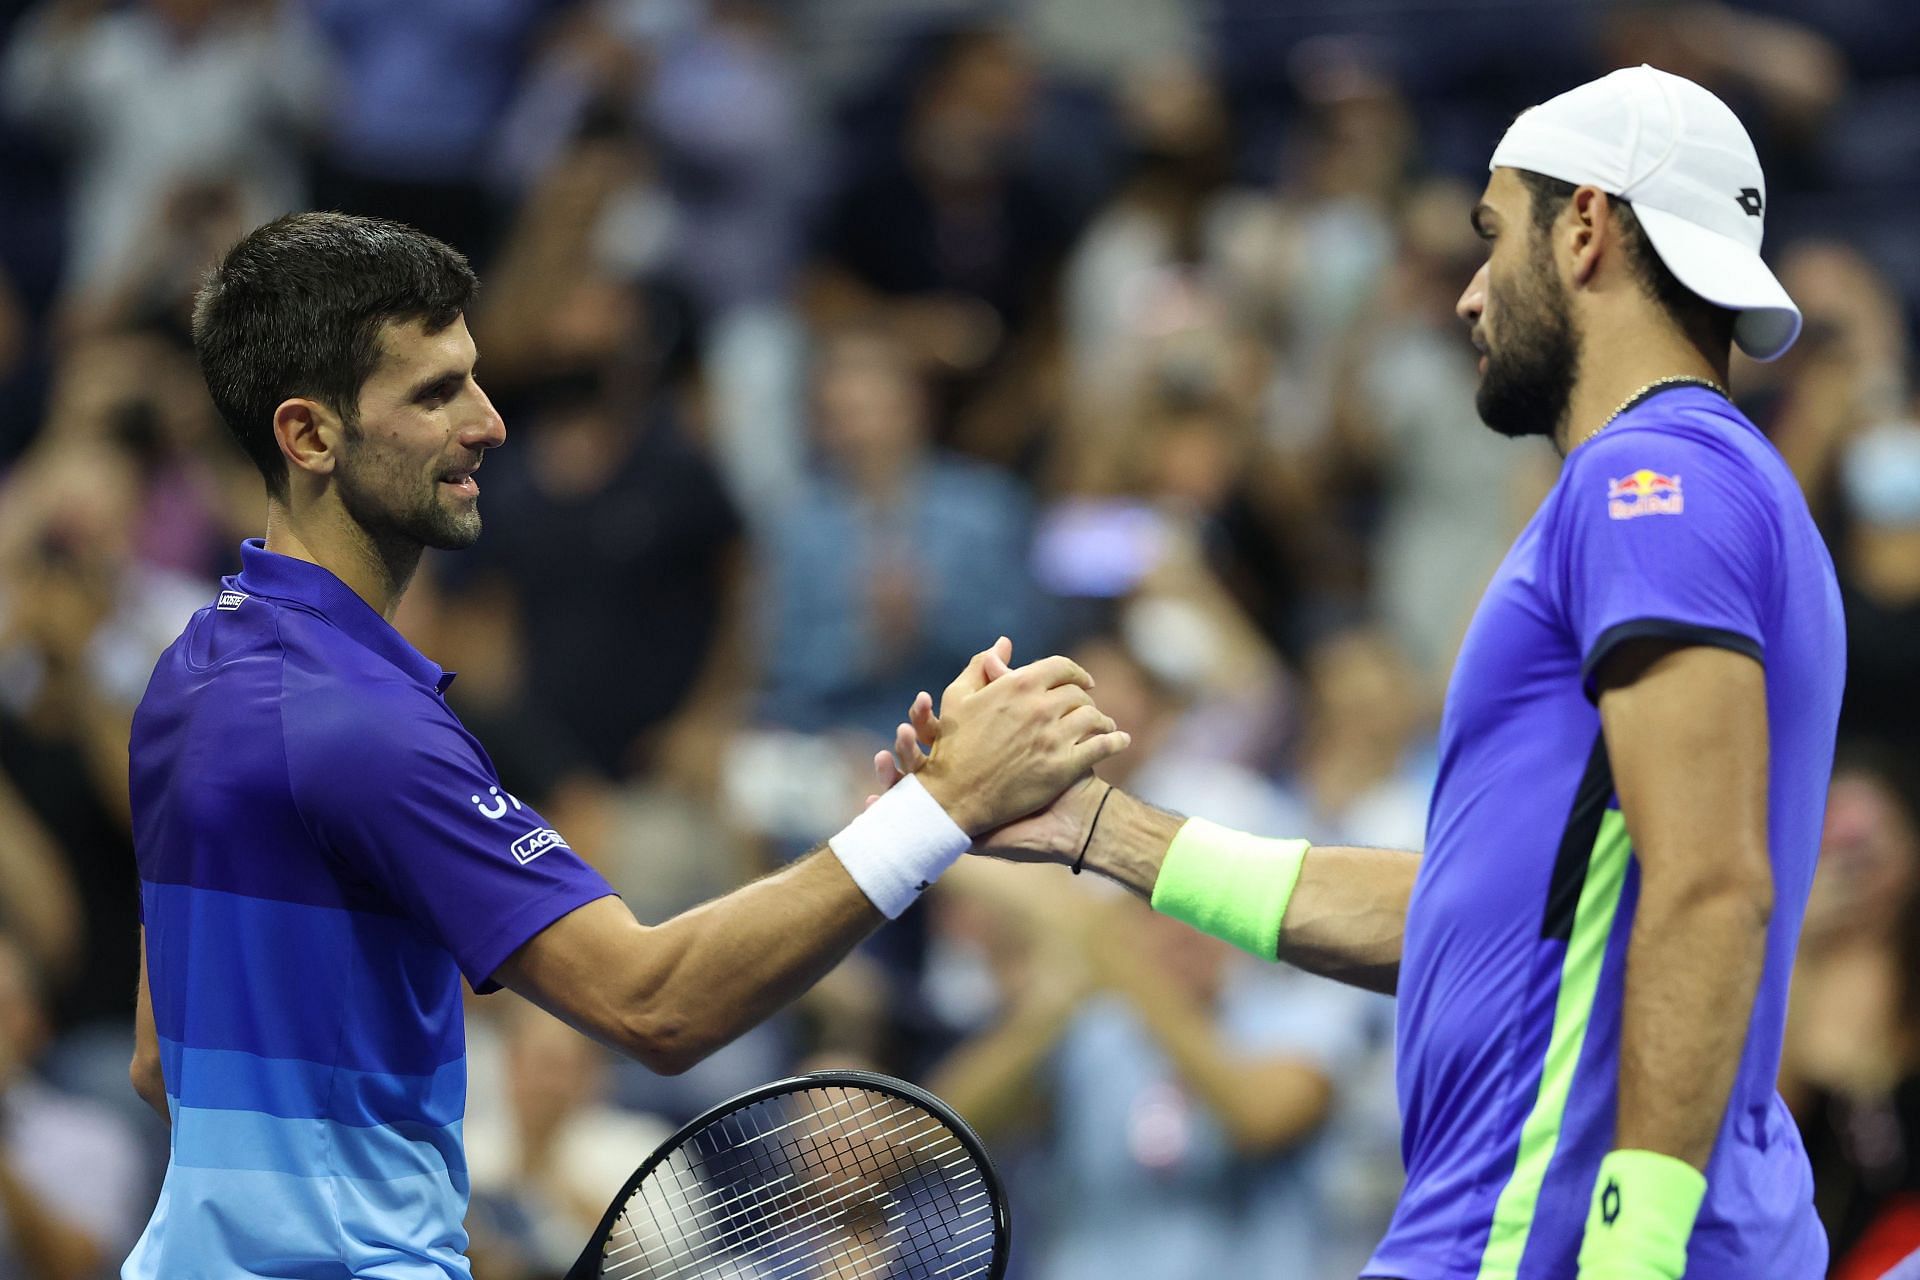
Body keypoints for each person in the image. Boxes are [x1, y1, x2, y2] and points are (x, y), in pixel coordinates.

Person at [886, 67, 1840, 1279]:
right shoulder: (1704, 487)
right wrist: (1098, 830)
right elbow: (1469, 915)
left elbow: (1710, 882)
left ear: (1588, 228)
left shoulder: (1649, 479)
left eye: (1495, 235)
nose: (1470, 290)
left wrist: (1632, 1251)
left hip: (1549, 1232)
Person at [122, 211, 1130, 1277]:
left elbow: (160, 1057)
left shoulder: (193, 673)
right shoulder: (360, 724)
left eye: (473, 376)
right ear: (310, 435)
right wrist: (942, 811)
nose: (490, 421)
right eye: (434, 393)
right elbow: (655, 1002)